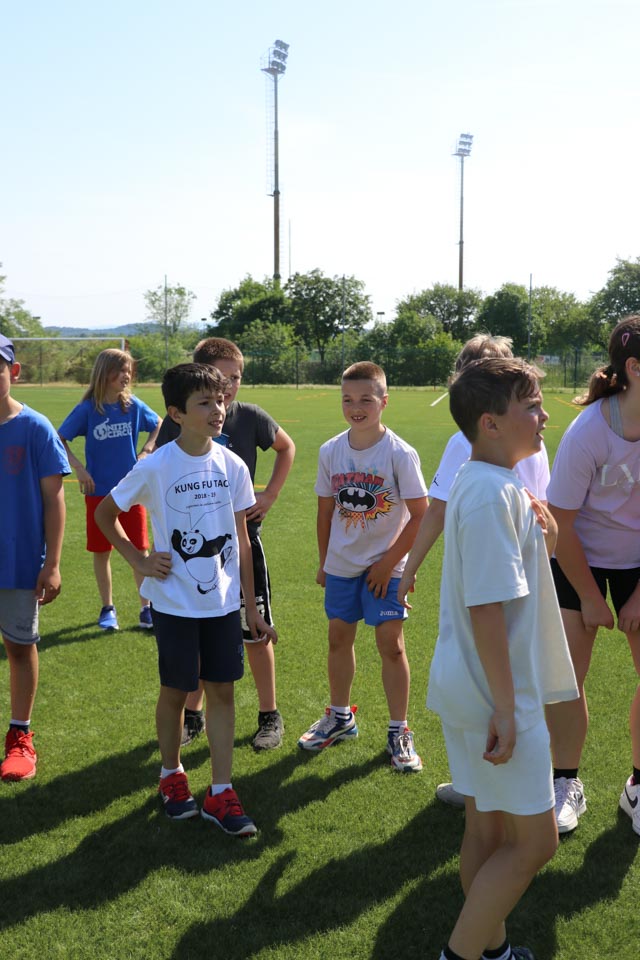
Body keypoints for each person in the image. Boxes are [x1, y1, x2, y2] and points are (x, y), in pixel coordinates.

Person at [429, 357, 578, 960]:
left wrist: (546, 543)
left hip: (470, 687)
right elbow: (487, 609)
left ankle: (492, 952)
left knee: (486, 830)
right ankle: (462, 955)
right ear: (490, 423)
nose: (544, 417)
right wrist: (509, 709)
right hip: (498, 694)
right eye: (531, 406)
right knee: (535, 843)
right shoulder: (492, 494)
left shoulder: (483, 480)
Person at [95, 363, 277, 836]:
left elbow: (241, 541)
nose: (218, 409)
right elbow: (105, 513)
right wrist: (138, 560)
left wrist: (251, 607)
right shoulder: (156, 466)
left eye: (221, 400)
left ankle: (220, 791)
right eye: (205, 402)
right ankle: (171, 775)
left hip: (223, 604)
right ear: (176, 413)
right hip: (175, 605)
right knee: (176, 691)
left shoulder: (232, 465)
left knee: (222, 691)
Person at [398, 335, 550, 808]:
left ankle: (503, 786)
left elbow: (541, 514)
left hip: (517, 578)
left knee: (516, 678)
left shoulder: (528, 443)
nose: (541, 415)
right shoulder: (476, 464)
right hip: (494, 577)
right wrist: (410, 566)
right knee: (495, 679)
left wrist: (548, 541)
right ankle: (478, 784)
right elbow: (438, 509)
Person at [155, 337, 295, 750]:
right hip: (195, 551)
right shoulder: (180, 422)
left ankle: (269, 714)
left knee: (255, 629)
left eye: (236, 378)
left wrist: (269, 495)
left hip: (242, 545)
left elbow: (286, 447)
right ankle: (194, 715)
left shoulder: (249, 416)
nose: (230, 386)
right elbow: (160, 474)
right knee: (202, 632)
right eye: (222, 377)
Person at [298, 361, 428, 771]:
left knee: (391, 644)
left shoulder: (400, 454)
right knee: (338, 638)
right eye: (348, 400)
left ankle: (399, 730)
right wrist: (324, 563)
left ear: (384, 402)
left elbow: (421, 516)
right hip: (342, 565)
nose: (356, 408)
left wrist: (391, 564)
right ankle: (340, 717)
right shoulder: (330, 451)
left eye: (366, 400)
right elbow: (324, 513)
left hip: (387, 567)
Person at [546, 314, 640, 836]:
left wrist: (638, 595)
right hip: (577, 555)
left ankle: (637, 788)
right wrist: (589, 596)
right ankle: (565, 784)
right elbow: (559, 523)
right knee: (567, 679)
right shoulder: (588, 432)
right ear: (635, 368)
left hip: (638, 560)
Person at [0, 334, 70, 782]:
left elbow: (54, 500)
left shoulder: (35, 427)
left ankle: (20, 736)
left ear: (14, 371)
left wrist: (53, 563)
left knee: (19, 648)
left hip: (18, 562)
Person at [58, 348, 161, 631]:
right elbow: (60, 438)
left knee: (140, 549)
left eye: (129, 371)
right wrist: (79, 468)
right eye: (121, 370)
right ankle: (108, 608)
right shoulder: (88, 409)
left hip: (131, 492)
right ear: (105, 373)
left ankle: (146, 608)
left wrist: (147, 450)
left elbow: (159, 424)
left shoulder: (133, 406)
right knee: (101, 551)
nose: (126, 376)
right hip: (99, 492)